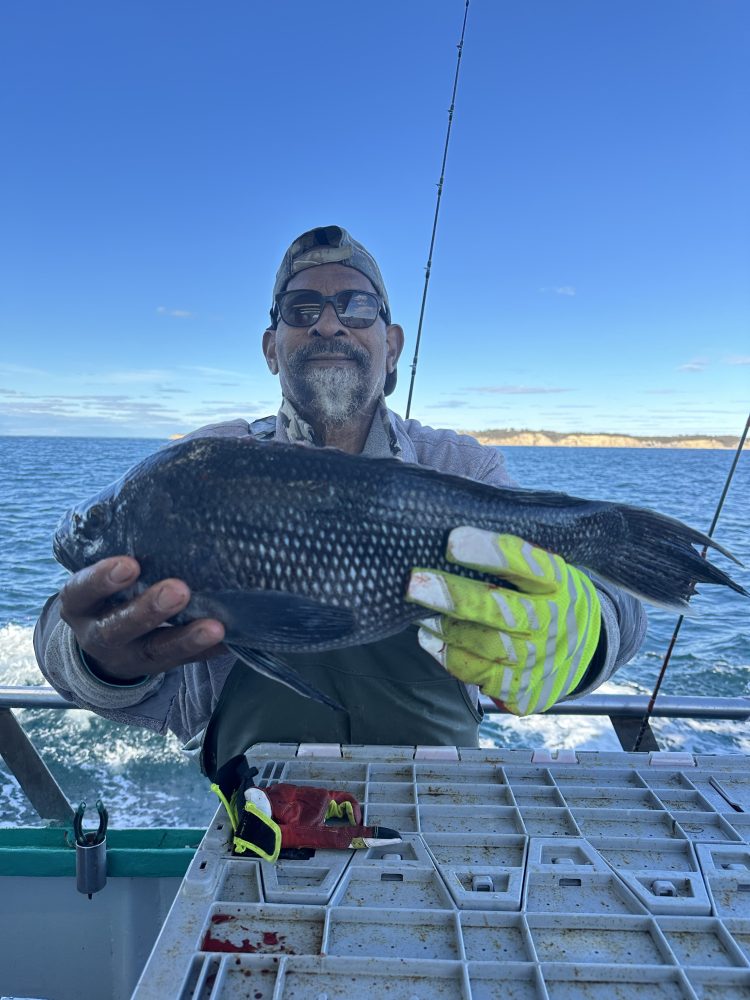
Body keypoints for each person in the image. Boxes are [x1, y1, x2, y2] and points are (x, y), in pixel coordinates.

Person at [34, 225, 647, 779]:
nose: (330, 324)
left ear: (393, 344)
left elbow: (614, 595)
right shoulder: (204, 461)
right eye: (303, 310)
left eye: (357, 307)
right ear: (272, 347)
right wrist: (101, 655)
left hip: (442, 795)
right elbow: (62, 642)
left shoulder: (459, 465)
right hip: (261, 813)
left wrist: (589, 633)